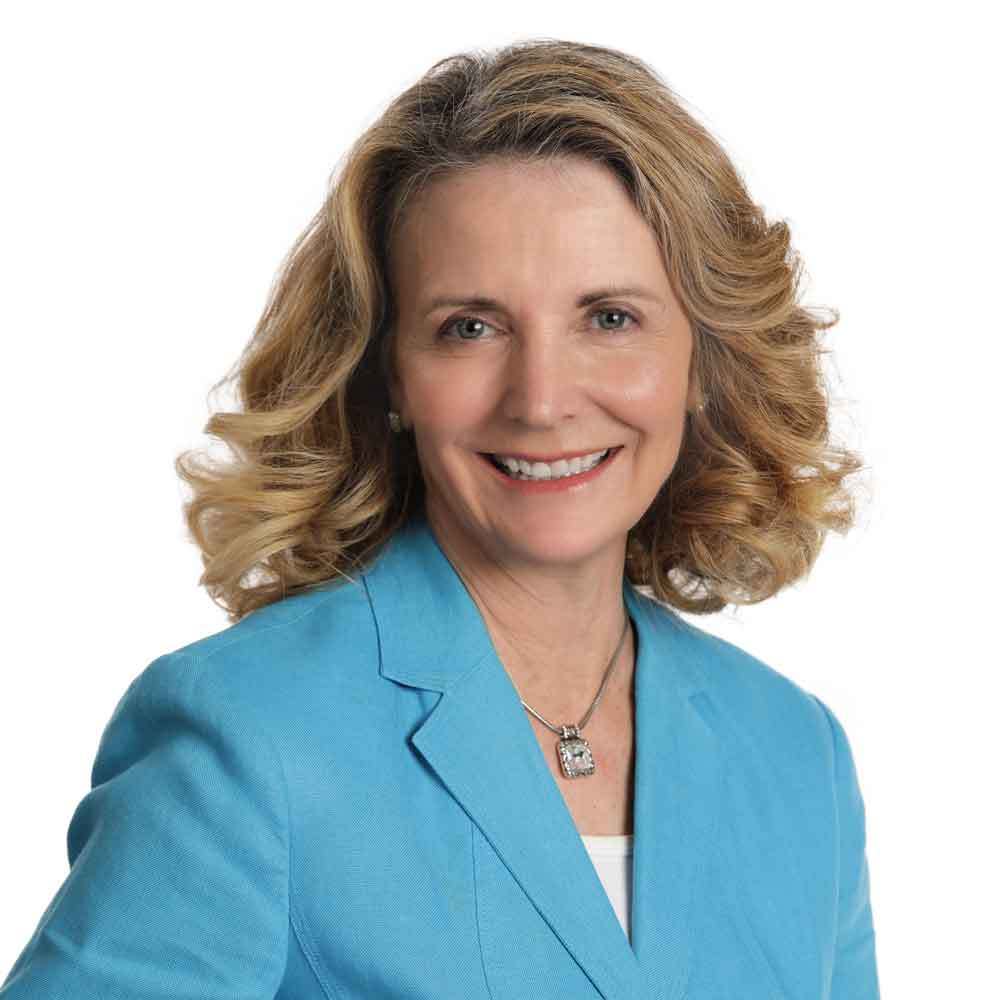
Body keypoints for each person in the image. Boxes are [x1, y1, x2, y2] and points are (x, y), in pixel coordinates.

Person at [0, 39, 880, 1000]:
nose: (542, 401)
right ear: (390, 378)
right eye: (470, 326)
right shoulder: (247, 736)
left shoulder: (799, 755)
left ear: (702, 362)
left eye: (610, 318)